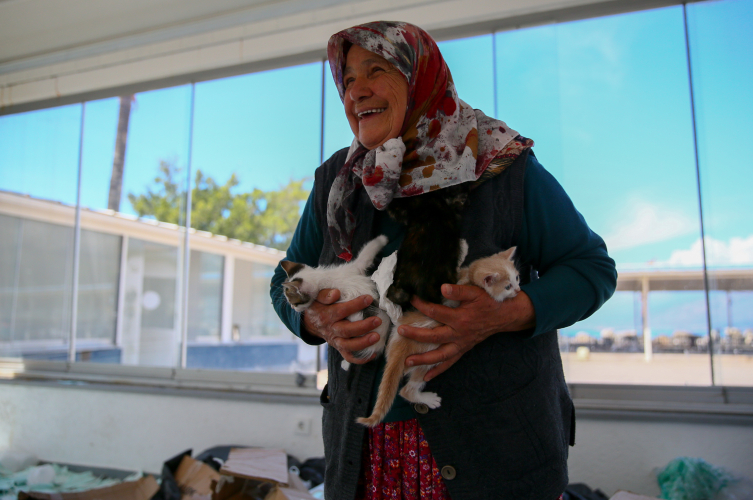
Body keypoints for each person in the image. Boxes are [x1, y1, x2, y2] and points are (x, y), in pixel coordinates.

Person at [271, 21, 617, 500]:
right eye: (347, 79)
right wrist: (315, 320)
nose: (357, 91)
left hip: (496, 458)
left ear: (420, 76)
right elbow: (283, 279)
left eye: (376, 69)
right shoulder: (337, 180)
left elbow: (592, 269)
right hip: (364, 458)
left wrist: (503, 315)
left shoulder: (501, 164)